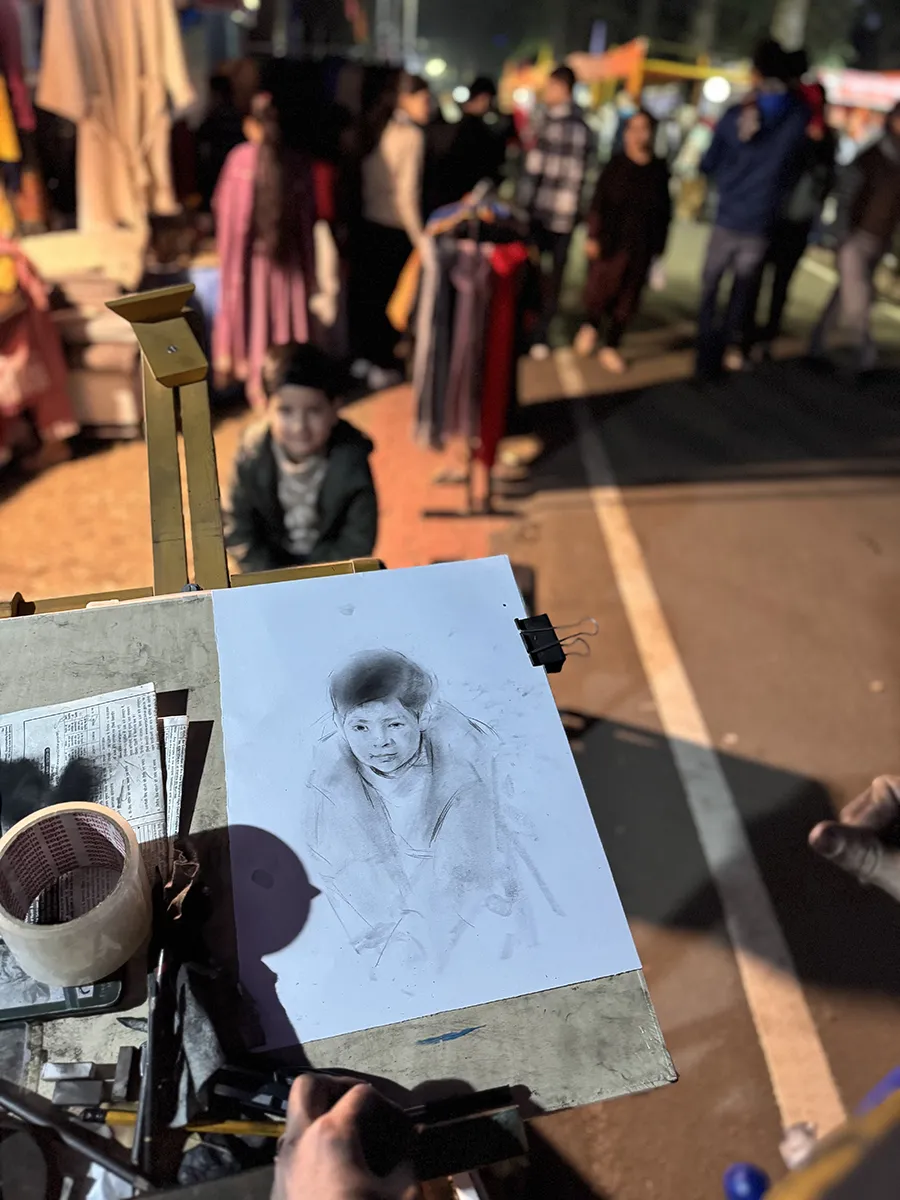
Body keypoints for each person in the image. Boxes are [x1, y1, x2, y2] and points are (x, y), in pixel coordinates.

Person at [302, 650, 536, 969]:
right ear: (339, 725)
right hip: (390, 939)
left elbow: (471, 877)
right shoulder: (327, 782)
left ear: (423, 716)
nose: (379, 740)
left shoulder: (468, 767)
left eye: (394, 724)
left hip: (474, 928)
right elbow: (339, 875)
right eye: (360, 728)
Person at [696, 39, 809, 376]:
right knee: (742, 290)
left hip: (727, 214)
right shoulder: (794, 118)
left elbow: (708, 163)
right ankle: (729, 346)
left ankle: (705, 350)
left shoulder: (735, 116)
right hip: (762, 219)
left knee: (711, 286)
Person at [225, 343, 377, 574]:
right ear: (265, 407)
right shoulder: (251, 455)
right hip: (265, 574)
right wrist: (269, 577)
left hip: (332, 574)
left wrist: (320, 576)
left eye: (314, 411)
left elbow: (358, 537)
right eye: (286, 411)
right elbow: (237, 528)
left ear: (335, 408)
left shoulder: (352, 458)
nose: (299, 426)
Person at [213, 92, 317, 410]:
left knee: (257, 323)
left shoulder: (239, 161)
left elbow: (229, 218)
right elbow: (307, 220)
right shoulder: (297, 163)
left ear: (250, 125)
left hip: (252, 266)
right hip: (289, 263)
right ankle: (290, 383)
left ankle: (259, 389)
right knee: (284, 324)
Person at [574, 110, 672, 374]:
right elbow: (598, 203)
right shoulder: (615, 165)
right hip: (610, 242)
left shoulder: (658, 170)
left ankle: (611, 345)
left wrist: (659, 248)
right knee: (600, 290)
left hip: (641, 245)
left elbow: (664, 212)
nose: (638, 135)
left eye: (644, 128)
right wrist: (593, 236)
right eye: (633, 128)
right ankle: (590, 326)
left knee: (628, 298)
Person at [351, 73, 431, 389]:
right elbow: (407, 196)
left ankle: (365, 360)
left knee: (368, 298)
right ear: (403, 99)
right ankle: (382, 364)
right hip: (394, 229)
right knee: (390, 303)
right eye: (423, 99)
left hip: (367, 224)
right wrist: (421, 240)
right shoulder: (410, 136)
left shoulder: (375, 127)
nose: (428, 106)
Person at [747, 82, 836, 356]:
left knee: (780, 282)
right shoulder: (789, 129)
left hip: (797, 219)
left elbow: (827, 179)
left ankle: (766, 335)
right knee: (756, 277)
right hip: (773, 214)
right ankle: (747, 334)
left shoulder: (825, 138)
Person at [810, 102, 900, 371]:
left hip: (879, 239)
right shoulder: (872, 156)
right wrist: (839, 233)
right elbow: (846, 195)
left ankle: (818, 343)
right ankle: (863, 354)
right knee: (858, 298)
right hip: (855, 238)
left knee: (845, 293)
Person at [518, 65, 596, 360]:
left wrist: (524, 208)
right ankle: (536, 332)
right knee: (547, 278)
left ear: (563, 88)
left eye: (551, 87)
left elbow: (537, 173)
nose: (546, 92)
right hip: (557, 215)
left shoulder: (556, 124)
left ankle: (534, 333)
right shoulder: (577, 125)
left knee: (540, 276)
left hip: (547, 214)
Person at [422, 76, 506, 216]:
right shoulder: (476, 129)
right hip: (462, 199)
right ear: (484, 98)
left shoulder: (453, 124)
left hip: (442, 197)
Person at [196, 73, 244, 211]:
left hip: (218, 170)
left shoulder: (215, 117)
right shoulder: (237, 116)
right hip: (230, 172)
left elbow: (201, 138)